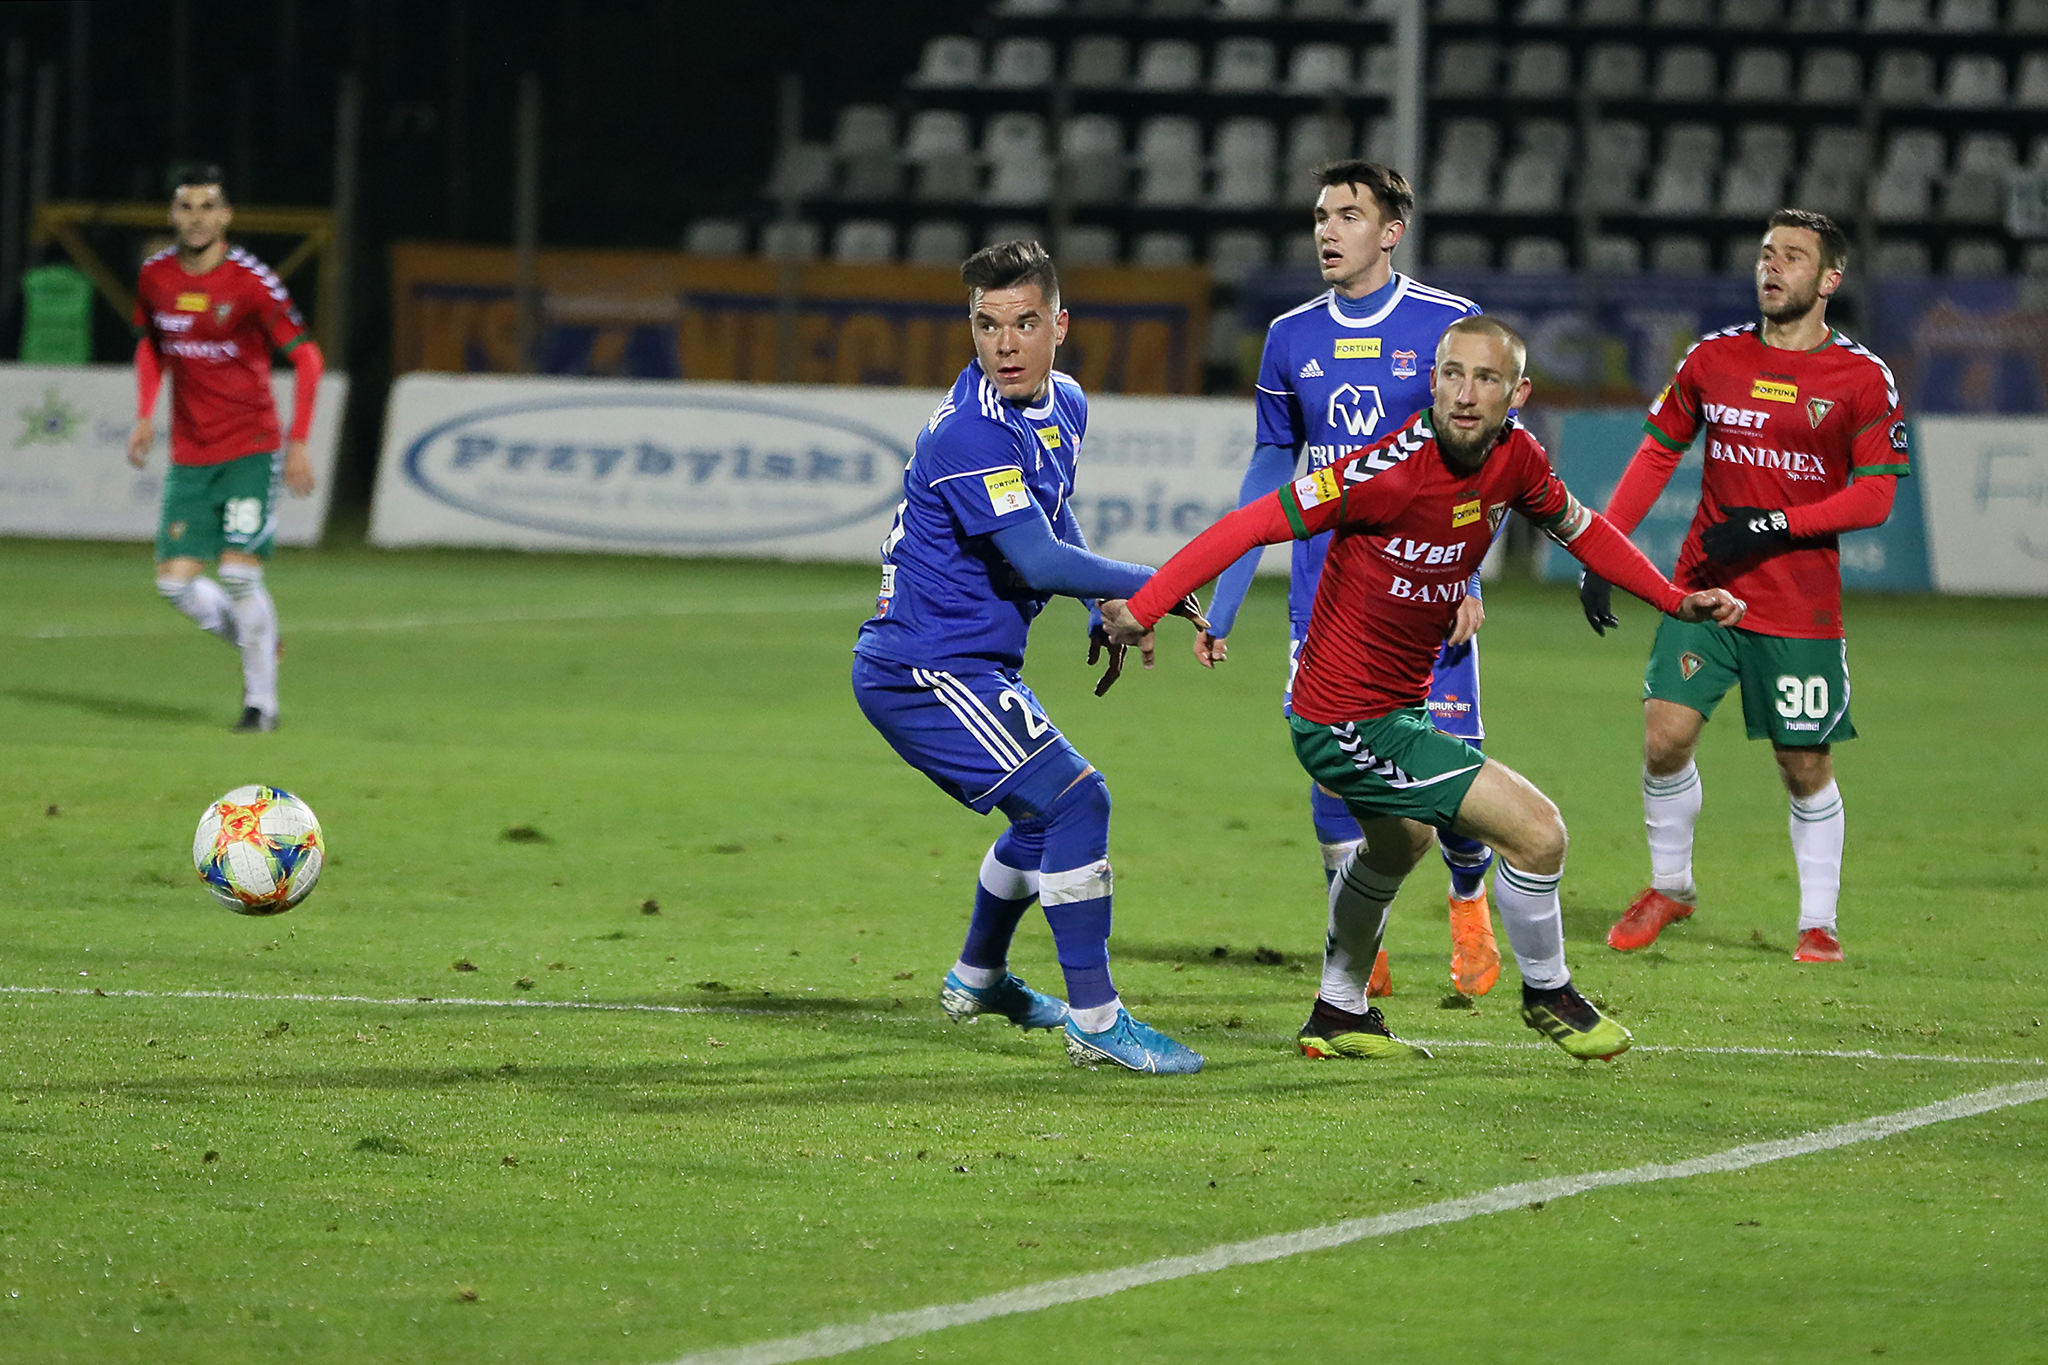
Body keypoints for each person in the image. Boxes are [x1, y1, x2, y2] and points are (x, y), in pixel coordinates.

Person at [1102, 317, 1745, 1063]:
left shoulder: (1517, 458)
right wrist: (1145, 607)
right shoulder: (1385, 471)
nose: (1465, 394)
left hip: (1398, 708)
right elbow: (1248, 525)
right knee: (1539, 833)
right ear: (1432, 381)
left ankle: (1337, 1013)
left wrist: (1673, 599)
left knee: (1399, 844)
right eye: (1452, 375)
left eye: (1486, 379)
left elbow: (1583, 530)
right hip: (1341, 719)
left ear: (1517, 394)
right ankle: (1549, 992)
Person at [851, 241, 1207, 1075]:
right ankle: (1098, 1021)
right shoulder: (968, 432)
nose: (1005, 344)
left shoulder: (1065, 403)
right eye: (987, 325)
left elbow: (1050, 516)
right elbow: (1039, 560)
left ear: (1059, 325)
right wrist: (1155, 582)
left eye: (1024, 322)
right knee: (1079, 801)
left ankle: (978, 978)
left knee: (1041, 816)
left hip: (968, 662)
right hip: (923, 669)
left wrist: (1101, 604)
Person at [1199, 161, 1504, 999]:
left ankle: (1468, 899)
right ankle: (1356, 939)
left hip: (1426, 589)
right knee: (1335, 766)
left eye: (1347, 215)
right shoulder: (1290, 336)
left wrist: (1469, 573)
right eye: (1320, 216)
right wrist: (1226, 601)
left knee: (1454, 769)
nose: (1327, 231)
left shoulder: (1449, 325)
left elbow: (1491, 459)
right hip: (1327, 599)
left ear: (1391, 230)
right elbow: (1269, 471)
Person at [1579, 211, 1909, 965]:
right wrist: (1603, 549)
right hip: (1705, 590)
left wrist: (1773, 526)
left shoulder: (1862, 377)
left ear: (1829, 279)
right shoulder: (1712, 358)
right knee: (1665, 737)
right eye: (1766, 253)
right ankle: (1671, 885)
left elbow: (1876, 495)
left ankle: (1818, 923)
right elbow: (1657, 454)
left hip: (1797, 604)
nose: (1772, 267)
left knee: (1803, 763)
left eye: (1793, 256)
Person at [127, 164, 324, 732]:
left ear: (226, 216)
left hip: (250, 449)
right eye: (185, 207)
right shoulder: (155, 276)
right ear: (173, 215)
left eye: (207, 207)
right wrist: (144, 414)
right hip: (192, 454)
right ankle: (257, 639)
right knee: (173, 583)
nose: (196, 218)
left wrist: (299, 442)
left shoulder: (252, 282)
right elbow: (151, 345)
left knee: (239, 575)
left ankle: (262, 705)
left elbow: (308, 358)